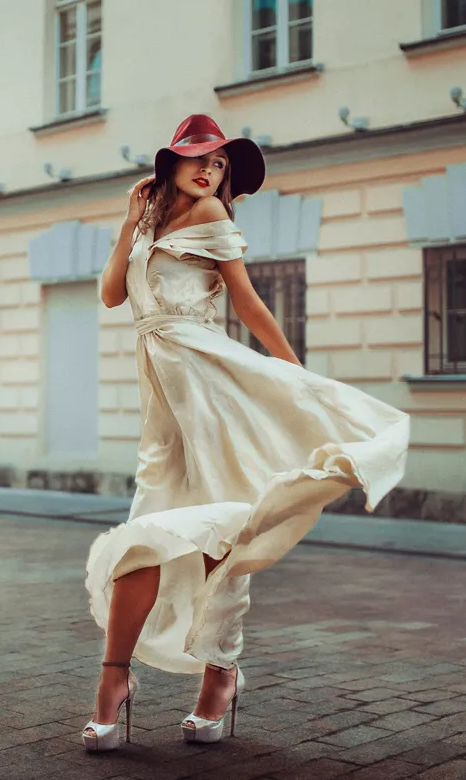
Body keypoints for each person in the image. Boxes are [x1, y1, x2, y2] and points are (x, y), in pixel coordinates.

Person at [81, 114, 410, 751]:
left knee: (216, 540)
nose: (209, 170)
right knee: (143, 540)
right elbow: (111, 295)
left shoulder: (213, 220)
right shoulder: (150, 222)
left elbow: (248, 302)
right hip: (163, 404)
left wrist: (294, 375)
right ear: (169, 163)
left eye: (221, 165)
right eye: (198, 159)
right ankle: (114, 680)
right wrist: (127, 226)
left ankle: (219, 678)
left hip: (209, 388)